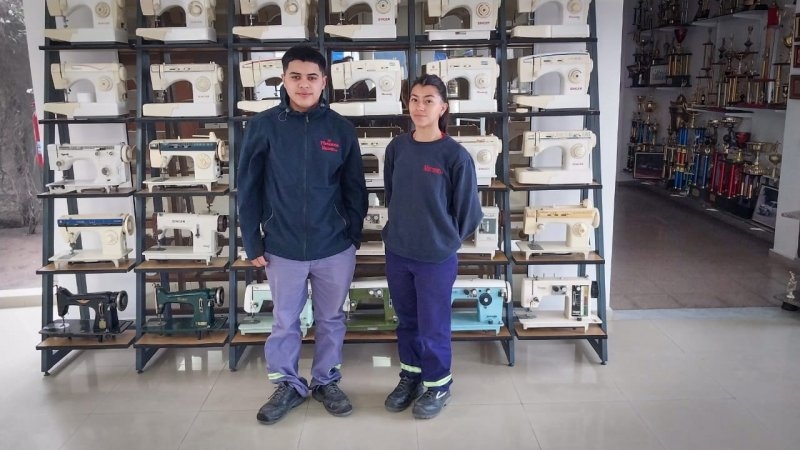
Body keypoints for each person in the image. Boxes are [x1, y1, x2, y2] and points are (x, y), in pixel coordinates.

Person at [237, 45, 368, 425]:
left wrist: (352, 236)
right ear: (283, 79)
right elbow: (248, 188)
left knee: (331, 319)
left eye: (312, 77)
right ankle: (287, 385)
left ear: (324, 81)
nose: (304, 84)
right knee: (284, 321)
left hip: (334, 246)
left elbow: (355, 189)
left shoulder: (340, 129)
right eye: (295, 76)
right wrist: (252, 240)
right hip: (282, 246)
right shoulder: (263, 127)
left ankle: (326, 381)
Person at [381, 74, 483, 419]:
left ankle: (438, 384)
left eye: (428, 100)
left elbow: (469, 213)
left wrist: (442, 240)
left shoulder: (455, 156)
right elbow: (392, 194)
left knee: (433, 323)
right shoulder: (397, 148)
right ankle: (411, 376)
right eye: (414, 99)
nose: (420, 106)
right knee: (407, 319)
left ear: (443, 107)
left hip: (435, 257)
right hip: (398, 251)